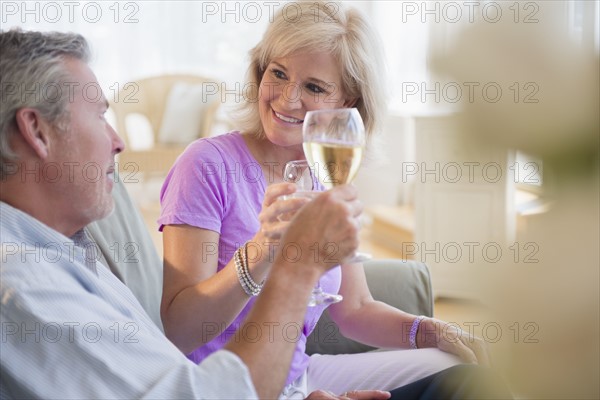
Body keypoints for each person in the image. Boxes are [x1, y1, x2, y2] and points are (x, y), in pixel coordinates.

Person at [0, 28, 388, 400]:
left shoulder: (64, 248)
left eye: (314, 86)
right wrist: (295, 264)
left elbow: (166, 374)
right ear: (36, 130)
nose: (118, 143)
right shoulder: (28, 287)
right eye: (101, 116)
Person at [159, 1, 491, 398]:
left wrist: (428, 329)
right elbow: (179, 330)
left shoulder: (327, 172)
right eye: (278, 74)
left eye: (314, 87)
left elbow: (356, 309)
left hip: (299, 376)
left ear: (347, 103)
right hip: (229, 385)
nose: (287, 98)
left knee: (462, 369)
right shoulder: (206, 164)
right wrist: (262, 251)